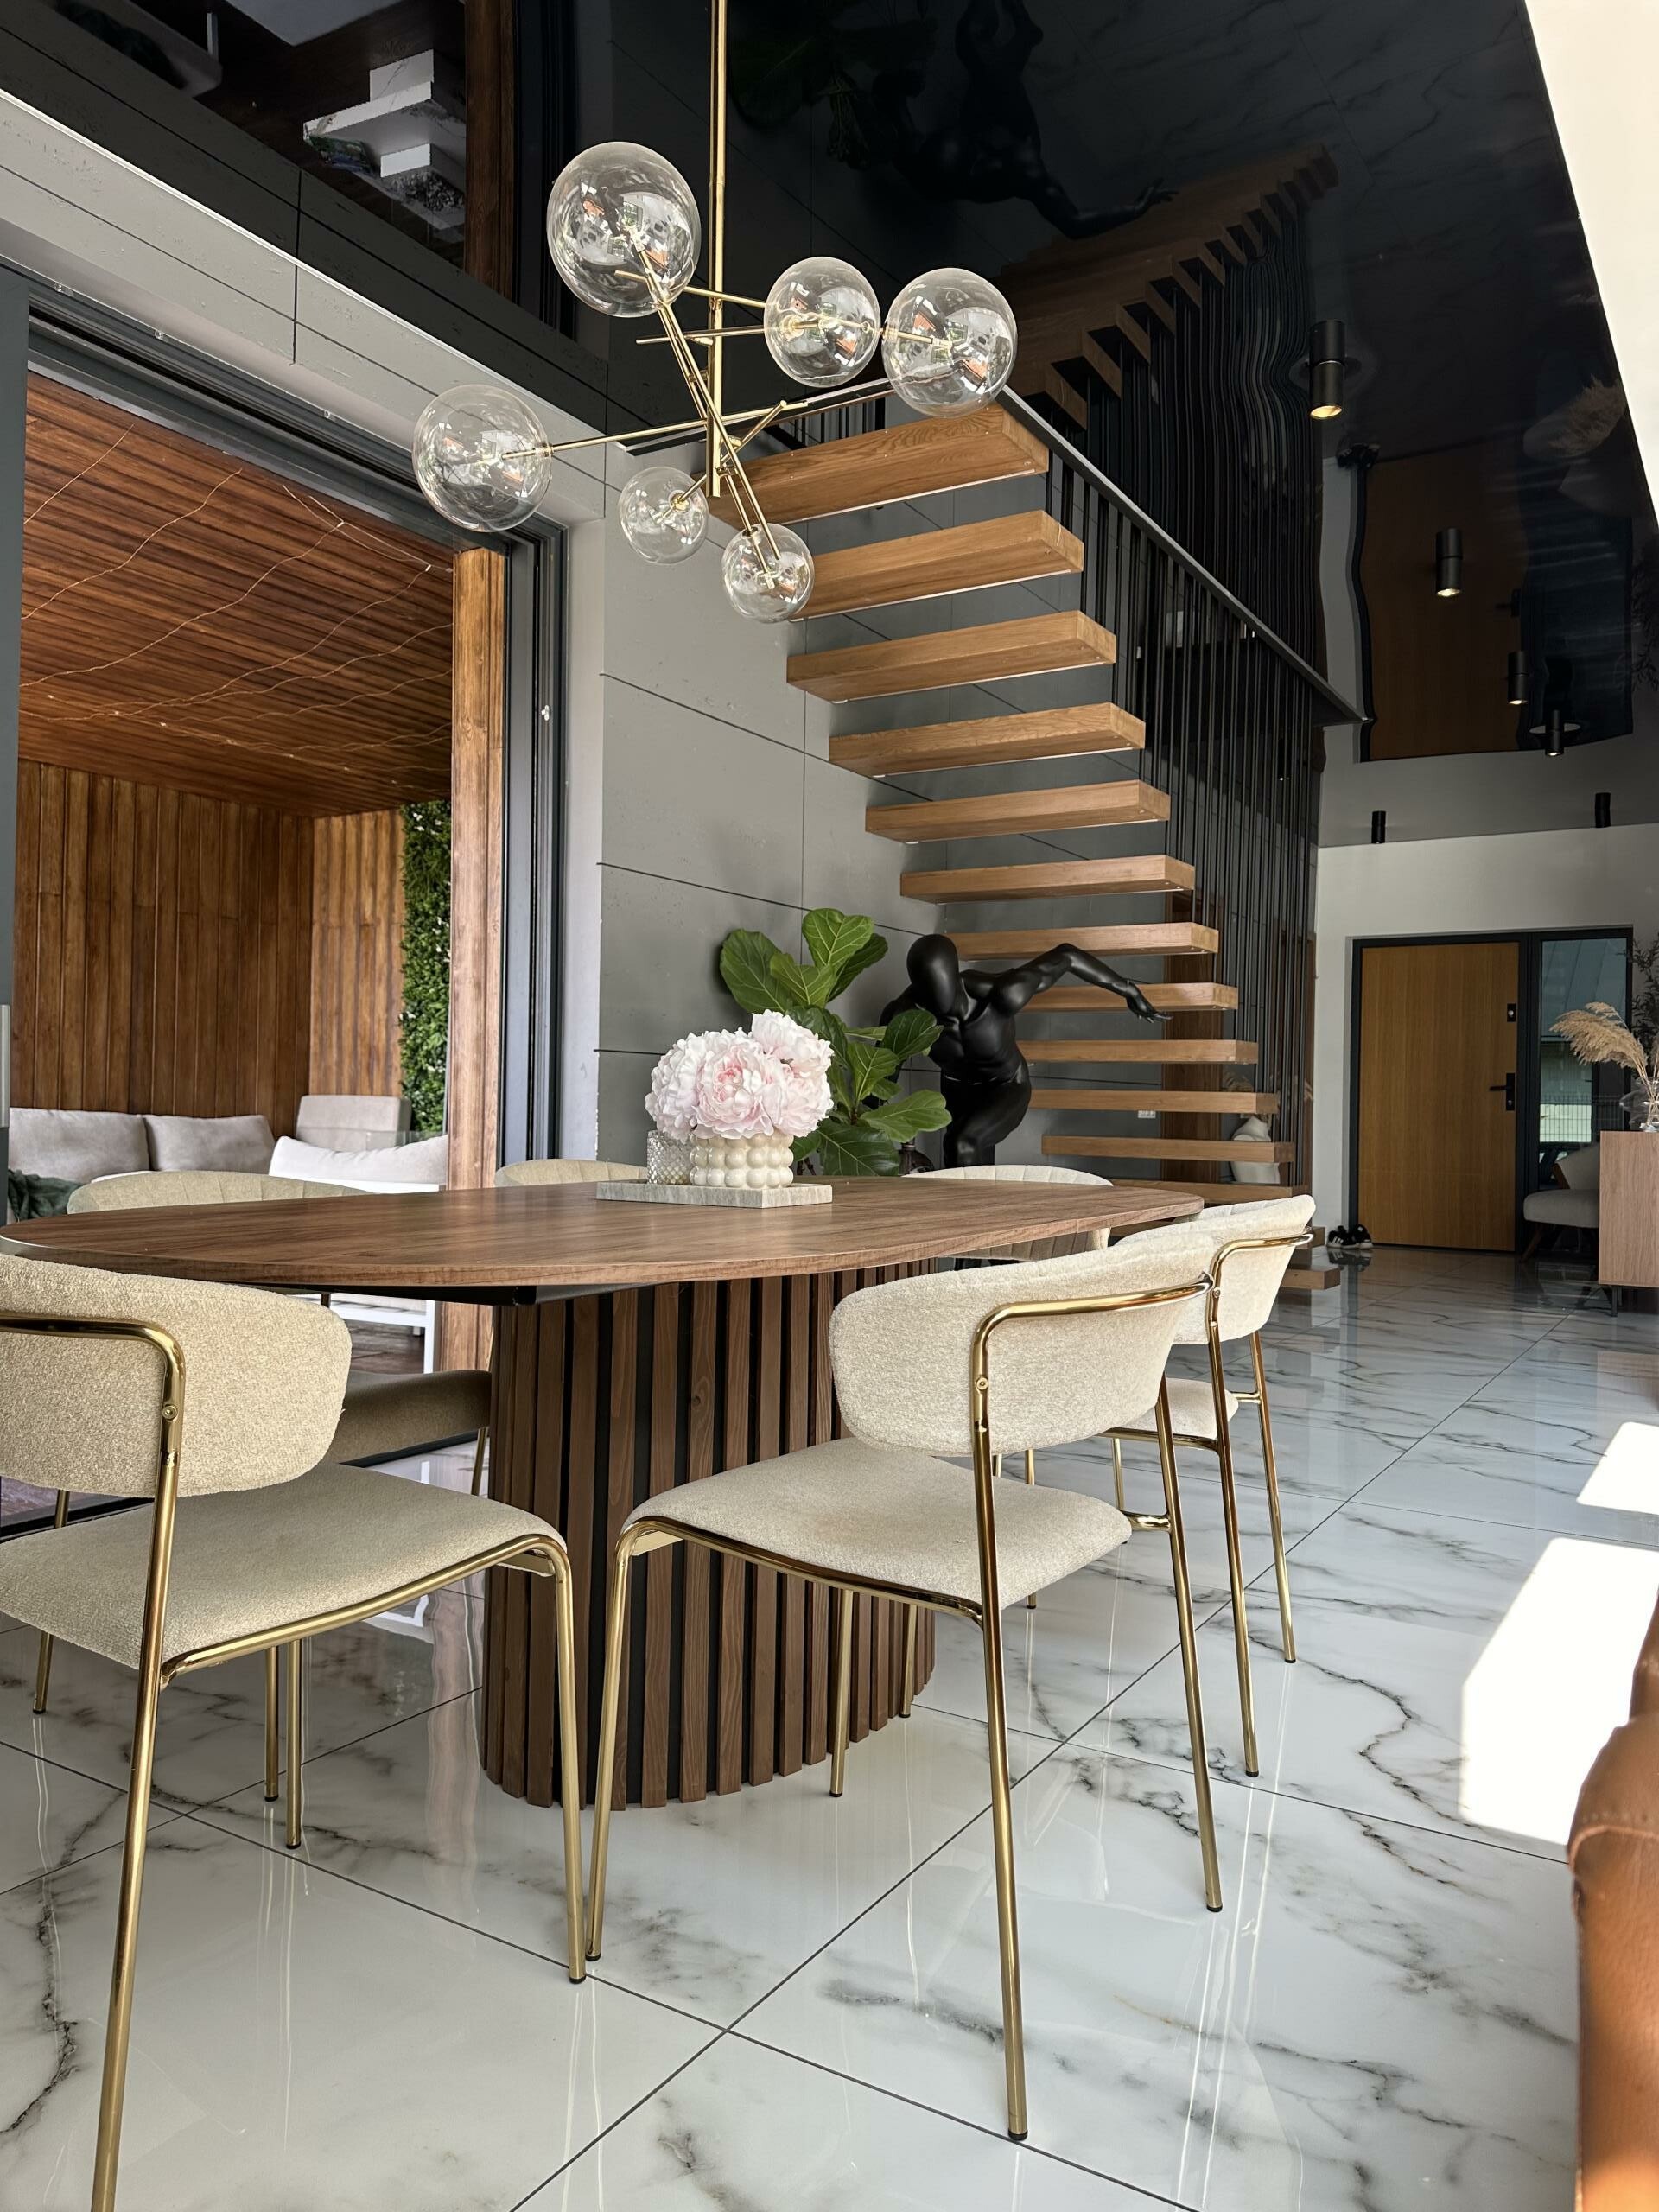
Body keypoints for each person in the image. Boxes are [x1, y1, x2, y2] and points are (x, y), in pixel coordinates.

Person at [883, 931, 1167, 1167]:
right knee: (971, 1158)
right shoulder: (903, 1014)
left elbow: (1067, 955)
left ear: (954, 978)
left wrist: (1129, 990)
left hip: (1005, 1085)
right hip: (956, 1089)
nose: (932, 1005)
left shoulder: (1001, 993)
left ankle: (969, 1219)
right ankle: (985, 1217)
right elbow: (882, 1077)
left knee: (962, 1142)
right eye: (925, 994)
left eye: (938, 991)